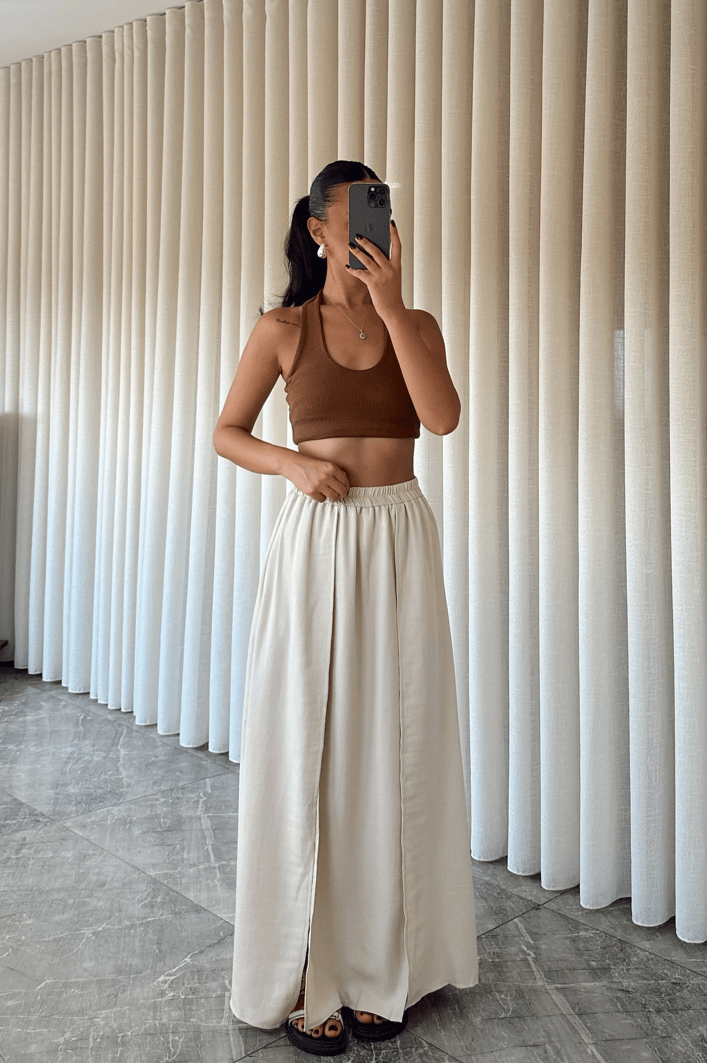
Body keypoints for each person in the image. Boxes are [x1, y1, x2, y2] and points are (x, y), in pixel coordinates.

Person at [213, 160, 478, 1055]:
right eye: (354, 210)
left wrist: (393, 306)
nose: (371, 223)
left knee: (399, 749)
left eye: (381, 207)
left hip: (400, 538)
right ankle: (308, 972)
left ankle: (385, 965)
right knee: (312, 749)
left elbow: (441, 418)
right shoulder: (283, 327)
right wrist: (291, 464)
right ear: (318, 228)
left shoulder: (417, 323)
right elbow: (227, 432)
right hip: (319, 541)